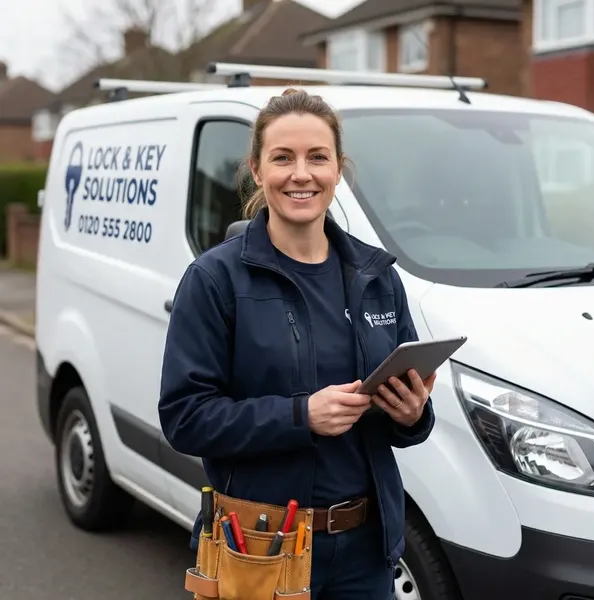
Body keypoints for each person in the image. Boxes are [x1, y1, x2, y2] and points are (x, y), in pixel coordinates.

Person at [158, 88, 436, 599]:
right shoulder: (215, 279)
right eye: (282, 158)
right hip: (261, 548)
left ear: (338, 170)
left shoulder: (375, 276)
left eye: (317, 157)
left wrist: (412, 412)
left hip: (366, 553)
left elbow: (407, 425)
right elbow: (185, 418)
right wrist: (301, 415)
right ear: (258, 171)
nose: (301, 174)